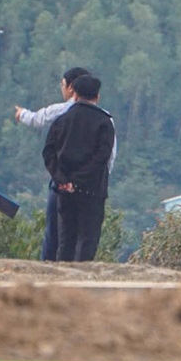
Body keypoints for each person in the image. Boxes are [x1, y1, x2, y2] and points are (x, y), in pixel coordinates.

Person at [15, 67, 88, 261]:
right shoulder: (102, 117)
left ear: (71, 87)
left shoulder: (63, 110)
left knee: (54, 233)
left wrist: (22, 114)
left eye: (63, 85)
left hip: (62, 179)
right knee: (83, 235)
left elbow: (38, 119)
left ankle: (47, 271)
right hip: (89, 183)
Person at [42, 74, 115, 262]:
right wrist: (79, 180)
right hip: (93, 189)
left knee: (66, 239)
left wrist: (62, 180)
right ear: (97, 97)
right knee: (88, 239)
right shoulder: (104, 122)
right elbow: (102, 157)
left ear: (75, 95)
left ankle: (62, 281)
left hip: (64, 191)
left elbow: (48, 153)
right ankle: (81, 281)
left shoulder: (61, 121)